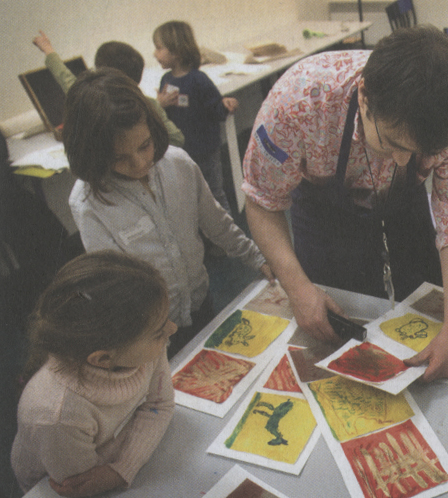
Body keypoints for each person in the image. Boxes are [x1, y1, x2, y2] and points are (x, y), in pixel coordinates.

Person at [242, 26, 448, 382]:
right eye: (393, 143)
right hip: (324, 214)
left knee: (418, 318)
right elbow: (262, 201)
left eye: (419, 151)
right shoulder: (297, 104)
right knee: (329, 325)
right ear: (364, 96)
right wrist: (297, 287)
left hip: (405, 206)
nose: (402, 160)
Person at [64, 68, 272, 357]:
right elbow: (115, 285)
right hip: (151, 328)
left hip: (201, 301)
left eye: (145, 146)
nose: (139, 163)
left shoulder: (178, 163)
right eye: (119, 158)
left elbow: (217, 223)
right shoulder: (89, 203)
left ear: (153, 128)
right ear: (94, 154)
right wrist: (149, 331)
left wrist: (258, 258)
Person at [11, 251, 176, 498]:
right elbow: (84, 484)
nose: (172, 329)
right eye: (159, 332)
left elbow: (160, 406)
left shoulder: (145, 347)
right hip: (50, 489)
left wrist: (122, 467)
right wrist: (139, 435)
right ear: (103, 359)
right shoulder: (56, 416)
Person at [31, 30, 184, 147]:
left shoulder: (91, 99)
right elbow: (177, 139)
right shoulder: (149, 104)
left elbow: (65, 78)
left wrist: (48, 49)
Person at [153, 20, 236, 212]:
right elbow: (164, 117)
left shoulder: (199, 80)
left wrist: (226, 104)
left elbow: (216, 110)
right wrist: (160, 105)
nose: (155, 54)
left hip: (205, 150)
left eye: (159, 48)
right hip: (182, 152)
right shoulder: (166, 80)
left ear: (176, 51)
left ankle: (228, 229)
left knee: (214, 193)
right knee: (190, 195)